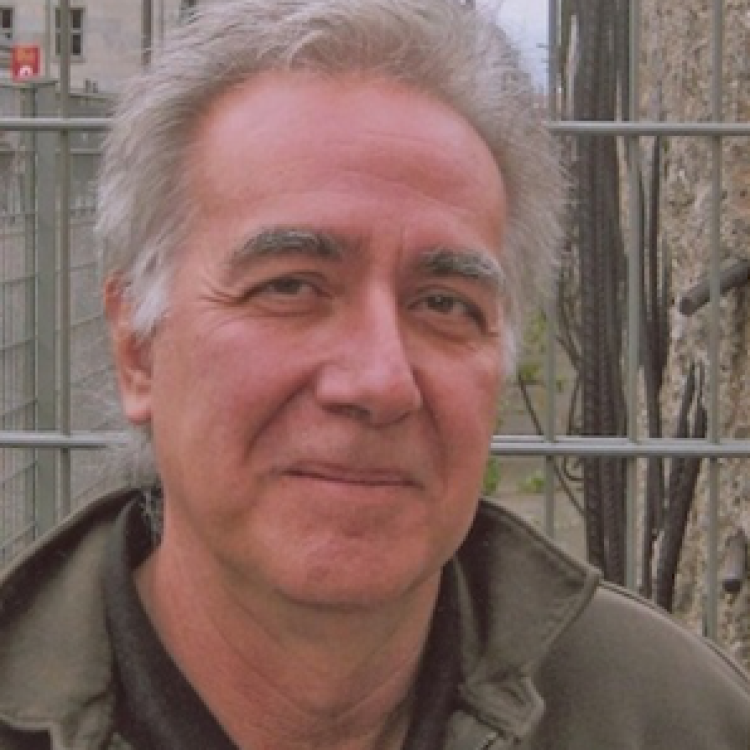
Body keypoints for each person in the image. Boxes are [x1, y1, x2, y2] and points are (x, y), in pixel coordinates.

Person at [1, 1, 749, 748]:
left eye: (444, 303)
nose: (381, 380)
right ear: (138, 346)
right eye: (290, 287)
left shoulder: (674, 721)